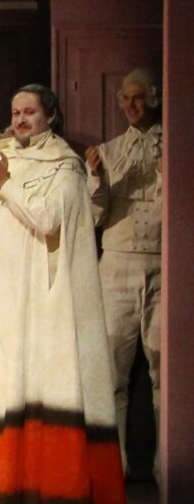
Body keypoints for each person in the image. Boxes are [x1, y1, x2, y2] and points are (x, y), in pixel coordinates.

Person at [0, 85, 127, 504]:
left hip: (35, 299)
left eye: (30, 112)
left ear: (50, 116)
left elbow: (48, 220)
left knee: (30, 385)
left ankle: (39, 493)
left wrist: (5, 184)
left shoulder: (64, 165)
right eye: (15, 113)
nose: (21, 120)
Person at [87, 68, 162, 472]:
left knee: (165, 371)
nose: (132, 105)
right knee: (113, 371)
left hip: (163, 266)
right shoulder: (110, 150)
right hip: (116, 265)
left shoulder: (175, 147)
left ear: (153, 98)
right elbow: (94, 217)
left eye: (138, 97)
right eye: (125, 98)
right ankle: (113, 468)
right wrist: (97, 179)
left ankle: (166, 466)